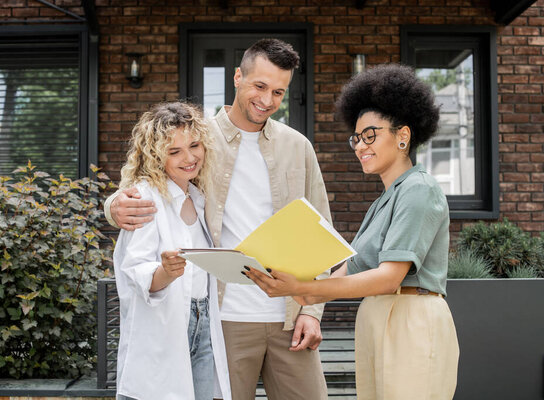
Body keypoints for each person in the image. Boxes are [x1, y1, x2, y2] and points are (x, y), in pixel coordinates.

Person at [105, 39, 329, 400]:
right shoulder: (198, 139)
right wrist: (114, 205)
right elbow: (150, 179)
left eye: (278, 92)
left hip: (290, 315)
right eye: (259, 86)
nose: (267, 100)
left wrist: (313, 311)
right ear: (238, 77)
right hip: (224, 322)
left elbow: (321, 233)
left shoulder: (298, 146)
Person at [245, 64, 460, 400]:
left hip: (411, 318)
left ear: (403, 135)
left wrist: (304, 288)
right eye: (356, 138)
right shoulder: (383, 202)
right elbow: (346, 273)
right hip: (376, 317)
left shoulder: (419, 188)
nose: (360, 146)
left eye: (370, 135)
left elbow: (390, 277)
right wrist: (296, 287)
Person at [112, 102, 231, 400]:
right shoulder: (143, 196)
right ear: (155, 155)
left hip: (203, 324)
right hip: (164, 329)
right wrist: (166, 272)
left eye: (194, 145)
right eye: (174, 151)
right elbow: (135, 270)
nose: (189, 158)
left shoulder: (198, 195)